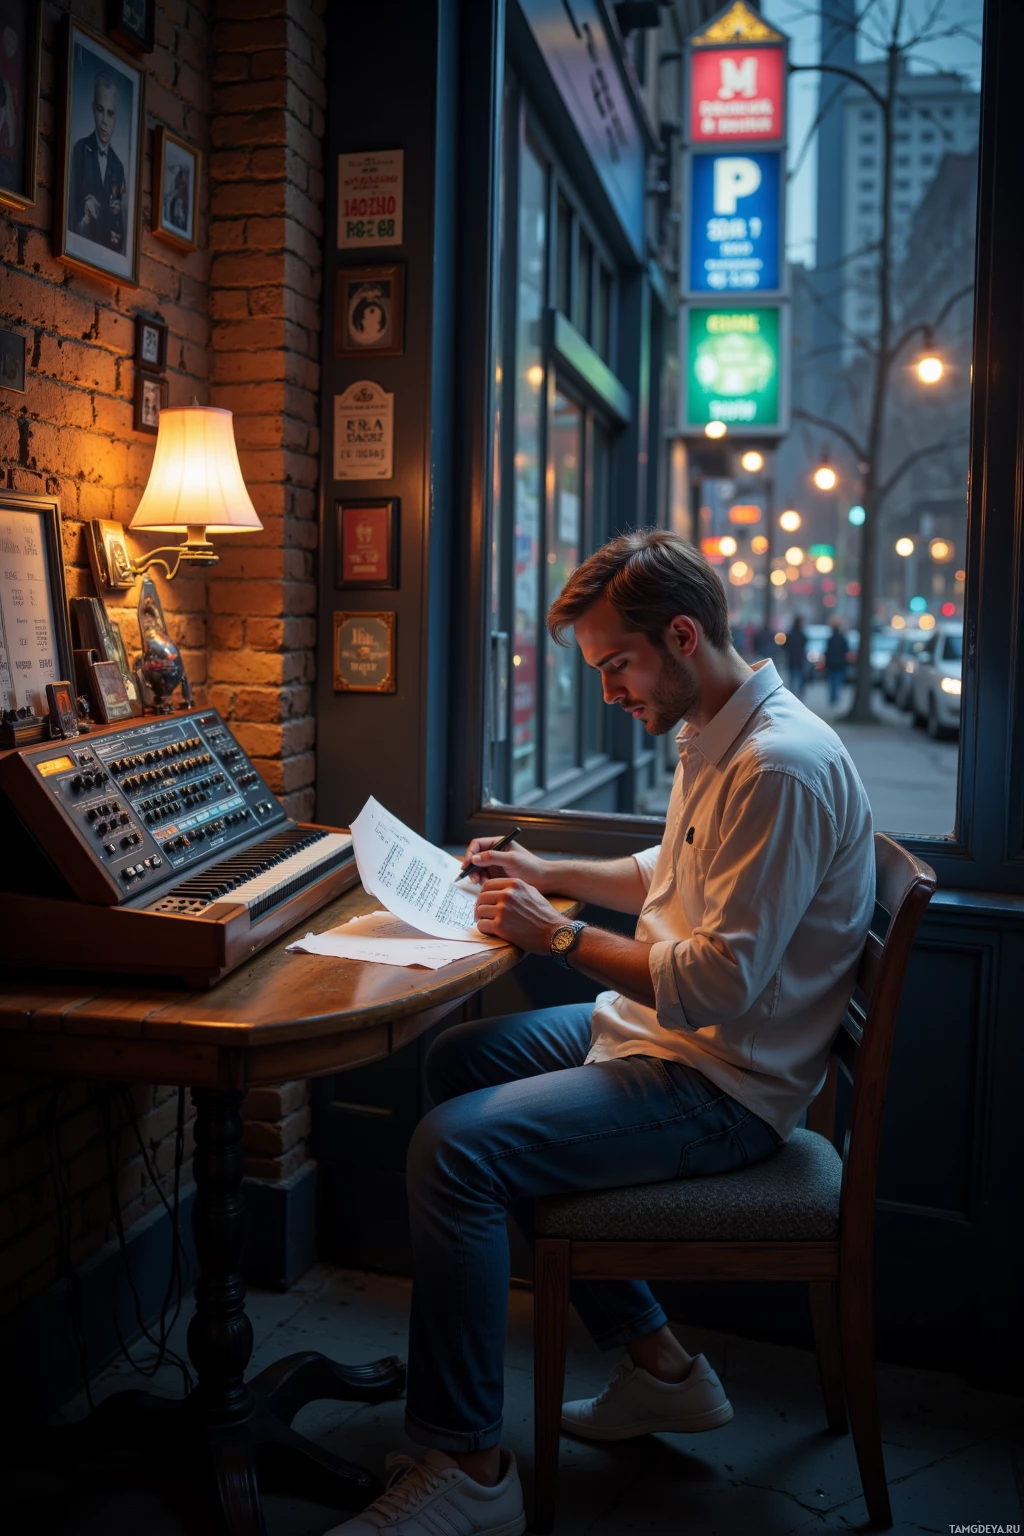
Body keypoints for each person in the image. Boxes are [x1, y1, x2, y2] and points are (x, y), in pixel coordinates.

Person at [328, 530, 874, 1536]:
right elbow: (670, 872)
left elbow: (713, 984)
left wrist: (558, 934)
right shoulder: (718, 724)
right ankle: (660, 1367)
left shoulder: (778, 767)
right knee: (461, 1059)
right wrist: (546, 870)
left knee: (453, 1155)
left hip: (721, 1087)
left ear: (680, 635)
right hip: (669, 1043)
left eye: (616, 665)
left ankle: (471, 1468)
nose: (609, 691)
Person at [67, 70, 126, 253]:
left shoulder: (118, 166)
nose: (104, 121)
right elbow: (68, 214)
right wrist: (84, 218)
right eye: (100, 110)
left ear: (116, 118)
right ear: (93, 108)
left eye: (110, 114)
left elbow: (119, 233)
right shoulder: (79, 150)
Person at [825, 618, 849, 707]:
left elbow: (827, 652)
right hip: (840, 664)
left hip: (832, 664)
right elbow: (847, 650)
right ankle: (836, 697)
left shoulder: (830, 639)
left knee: (832, 682)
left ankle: (833, 698)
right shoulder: (842, 638)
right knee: (838, 682)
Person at [785, 614, 808, 698]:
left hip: (791, 659)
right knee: (800, 677)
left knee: (792, 677)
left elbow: (785, 646)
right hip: (800, 659)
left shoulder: (790, 634)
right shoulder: (802, 634)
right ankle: (799, 693)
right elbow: (805, 644)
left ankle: (792, 693)